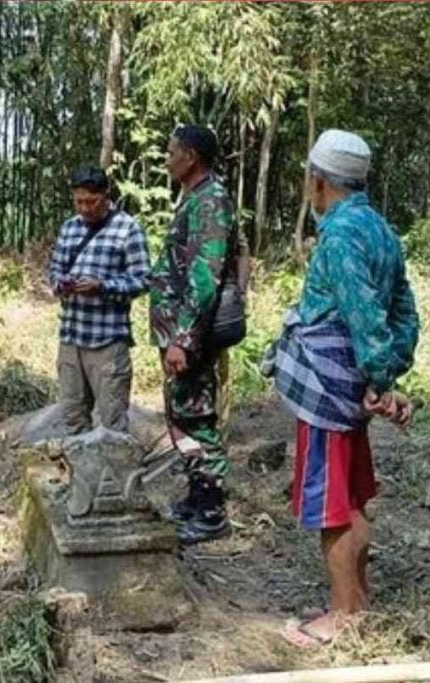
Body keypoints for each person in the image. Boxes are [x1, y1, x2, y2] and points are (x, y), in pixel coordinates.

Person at [269, 130, 419, 647]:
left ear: (317, 181)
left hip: (328, 391)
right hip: (351, 387)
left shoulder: (339, 237)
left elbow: (361, 313)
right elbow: (404, 313)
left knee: (331, 504)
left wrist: (378, 377)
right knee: (350, 498)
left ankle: (341, 617)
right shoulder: (380, 230)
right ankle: (358, 602)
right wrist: (388, 374)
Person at [149, 124, 241, 545]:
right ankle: (196, 494)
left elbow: (205, 275)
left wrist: (183, 338)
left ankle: (211, 509)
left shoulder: (211, 202)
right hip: (179, 335)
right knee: (182, 413)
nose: (167, 159)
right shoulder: (195, 199)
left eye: (171, 152)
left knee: (198, 418)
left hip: (192, 338)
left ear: (191, 157)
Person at [47, 166, 150, 435]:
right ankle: (81, 476)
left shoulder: (128, 229)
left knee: (112, 422)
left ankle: (114, 477)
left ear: (106, 196)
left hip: (108, 341)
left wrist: (103, 287)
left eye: (91, 201)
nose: (84, 208)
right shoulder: (69, 229)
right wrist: (62, 286)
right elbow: (55, 273)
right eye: (78, 201)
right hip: (71, 337)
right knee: (72, 417)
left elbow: (143, 280)